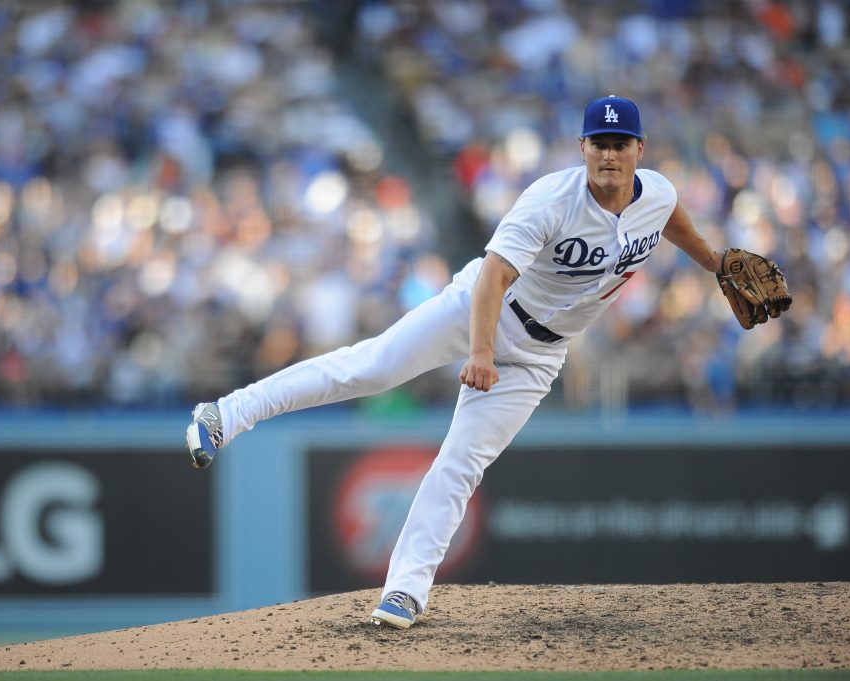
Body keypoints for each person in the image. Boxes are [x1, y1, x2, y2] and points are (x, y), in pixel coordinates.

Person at [186, 95, 725, 628]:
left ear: (640, 149)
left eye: (620, 144)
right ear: (582, 147)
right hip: (482, 310)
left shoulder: (656, 192)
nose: (610, 155)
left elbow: (672, 220)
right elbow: (494, 273)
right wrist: (481, 352)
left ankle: (403, 591)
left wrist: (716, 263)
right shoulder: (551, 200)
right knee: (369, 367)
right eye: (600, 144)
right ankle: (227, 413)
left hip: (542, 353)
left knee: (462, 463)